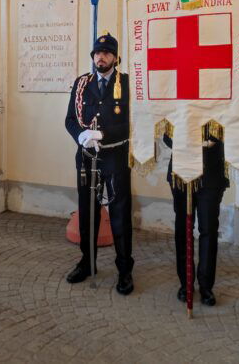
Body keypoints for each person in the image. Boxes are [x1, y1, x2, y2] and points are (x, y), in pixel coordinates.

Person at [64, 33, 134, 295]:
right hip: (86, 159)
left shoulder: (126, 83)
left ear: (116, 57)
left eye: (106, 52)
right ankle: (87, 261)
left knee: (119, 213)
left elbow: (131, 122)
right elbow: (70, 118)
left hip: (115, 156)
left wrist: (104, 135)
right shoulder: (82, 83)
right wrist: (81, 136)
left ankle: (125, 268)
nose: (100, 57)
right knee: (87, 212)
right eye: (97, 52)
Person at [163, 129, 228, 306]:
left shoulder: (219, 100)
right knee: (183, 229)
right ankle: (186, 283)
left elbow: (229, 125)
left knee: (208, 230)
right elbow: (167, 136)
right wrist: (185, 141)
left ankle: (206, 286)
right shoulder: (176, 100)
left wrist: (209, 140)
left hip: (211, 172)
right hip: (181, 172)